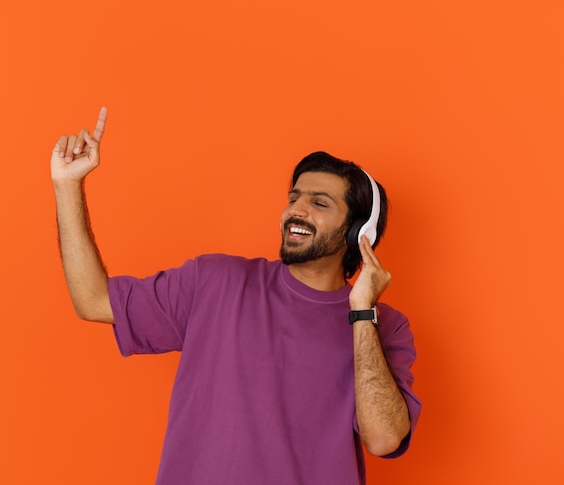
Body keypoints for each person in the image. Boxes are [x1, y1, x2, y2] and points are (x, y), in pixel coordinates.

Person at [51, 107, 421, 485]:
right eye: (294, 197)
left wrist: (361, 312)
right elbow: (93, 300)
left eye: (319, 203)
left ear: (359, 233)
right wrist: (66, 186)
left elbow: (383, 439)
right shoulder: (216, 281)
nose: (296, 210)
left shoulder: (385, 327)